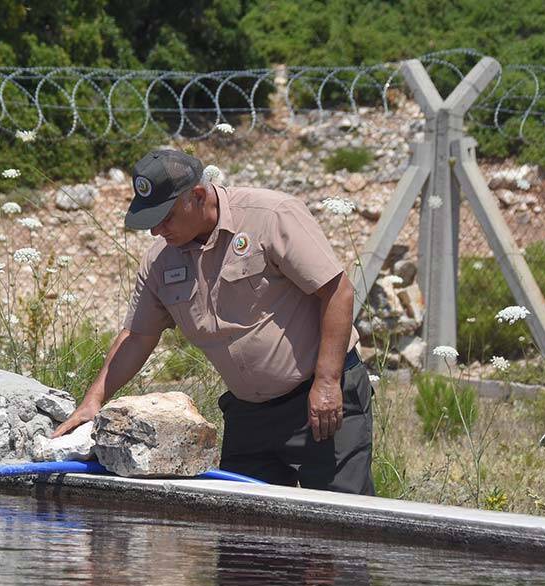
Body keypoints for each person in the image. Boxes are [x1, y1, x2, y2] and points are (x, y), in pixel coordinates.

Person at [52, 149, 375, 495]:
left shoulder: (270, 216)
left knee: (338, 530)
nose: (156, 231)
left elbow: (337, 291)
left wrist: (327, 382)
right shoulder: (160, 261)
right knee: (242, 539)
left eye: (166, 217)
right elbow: (137, 336)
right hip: (250, 418)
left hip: (319, 405)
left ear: (199, 196)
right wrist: (93, 402)